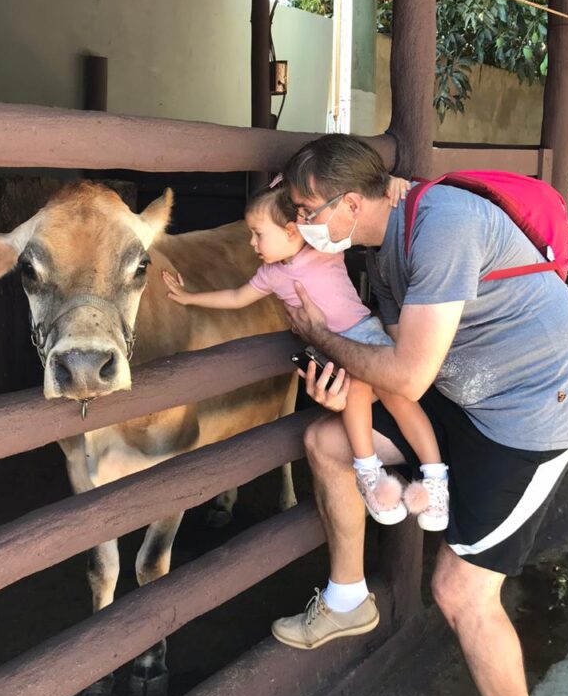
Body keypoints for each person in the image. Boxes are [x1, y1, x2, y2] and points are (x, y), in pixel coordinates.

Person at [271, 134, 568, 696]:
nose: (300, 226)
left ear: (352, 203)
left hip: (533, 411)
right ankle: (348, 598)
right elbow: (390, 366)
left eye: (307, 212)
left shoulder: (442, 226)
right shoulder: (382, 252)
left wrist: (322, 338)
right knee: (327, 441)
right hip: (465, 396)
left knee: (460, 592)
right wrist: (343, 385)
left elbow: (408, 373)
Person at [161, 180, 450, 530]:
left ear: (290, 230)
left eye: (258, 234)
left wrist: (392, 183)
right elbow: (236, 297)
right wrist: (190, 297)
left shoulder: (324, 248)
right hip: (331, 353)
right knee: (355, 395)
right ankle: (369, 474)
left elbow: (348, 209)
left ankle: (435, 478)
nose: (251, 243)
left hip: (365, 337)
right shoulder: (270, 275)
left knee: (400, 400)